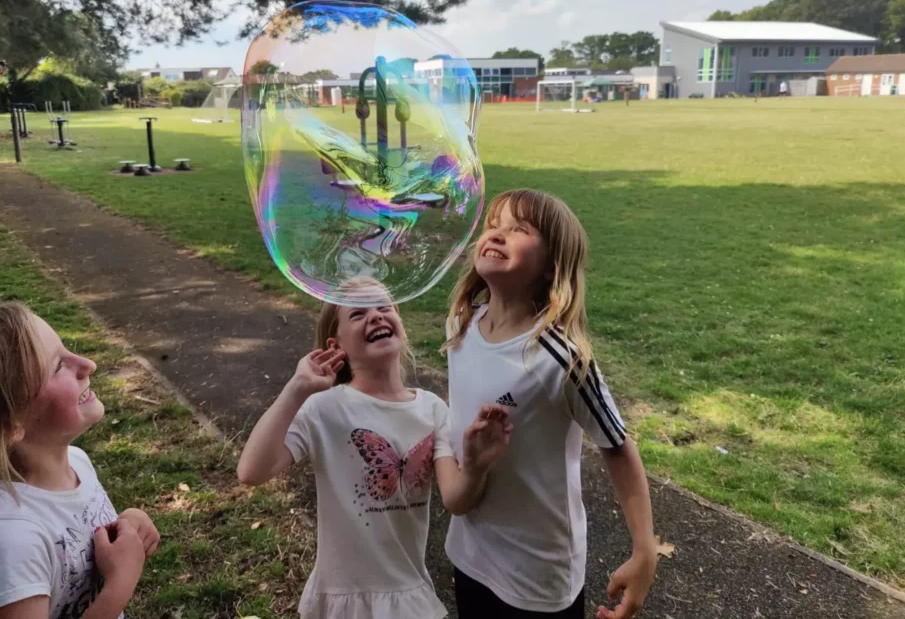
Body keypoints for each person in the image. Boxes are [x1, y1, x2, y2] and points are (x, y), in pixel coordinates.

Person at [237, 280, 512, 619]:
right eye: (358, 313)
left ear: (401, 325)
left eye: (384, 308)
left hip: (408, 597)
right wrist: (297, 390)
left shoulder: (432, 409)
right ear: (335, 345)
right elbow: (251, 471)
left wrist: (475, 465)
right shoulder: (325, 408)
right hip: (341, 601)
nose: (376, 317)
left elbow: (456, 500)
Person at [444, 189, 657, 619]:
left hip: (538, 575)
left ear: (551, 266)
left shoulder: (561, 358)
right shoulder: (460, 325)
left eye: (519, 229)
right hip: (469, 554)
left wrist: (644, 550)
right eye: (493, 226)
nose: (499, 235)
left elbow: (616, 445)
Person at [0, 301, 160, 619]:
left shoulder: (76, 463)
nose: (88, 364)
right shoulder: (6, 544)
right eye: (57, 367)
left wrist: (125, 525)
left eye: (67, 350)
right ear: (3, 427)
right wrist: (119, 585)